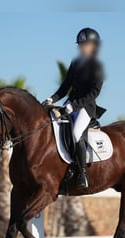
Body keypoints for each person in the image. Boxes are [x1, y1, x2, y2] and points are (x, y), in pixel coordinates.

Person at [42, 27, 105, 189]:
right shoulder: (76, 63)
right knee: (54, 125)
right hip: (70, 104)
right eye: (80, 44)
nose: (82, 47)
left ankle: (82, 173)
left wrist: (74, 106)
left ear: (93, 46)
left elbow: (94, 92)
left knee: (77, 133)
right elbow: (65, 87)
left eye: (85, 44)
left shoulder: (97, 66)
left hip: (85, 107)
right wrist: (52, 98)